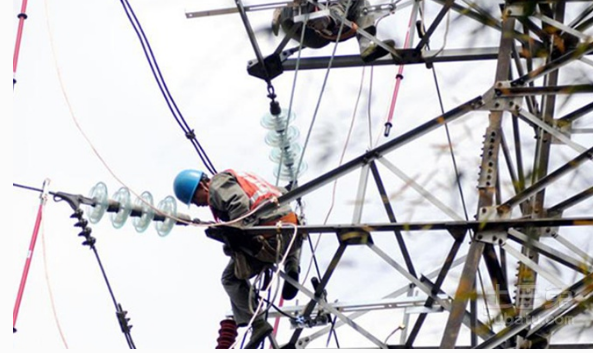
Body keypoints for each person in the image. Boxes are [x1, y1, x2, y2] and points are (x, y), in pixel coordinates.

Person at [173, 169, 303, 349]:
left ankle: (258, 324)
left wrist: (233, 234)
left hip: (270, 236)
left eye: (195, 199)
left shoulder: (217, 185)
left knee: (229, 278)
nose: (198, 205)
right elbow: (281, 194)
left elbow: (238, 204)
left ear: (202, 185)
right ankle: (292, 264)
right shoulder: (248, 179)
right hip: (293, 232)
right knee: (286, 228)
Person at [272, 0, 396, 63]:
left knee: (363, 6)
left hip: (339, 28)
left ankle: (366, 49)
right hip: (312, 32)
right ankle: (327, 19)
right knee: (293, 11)